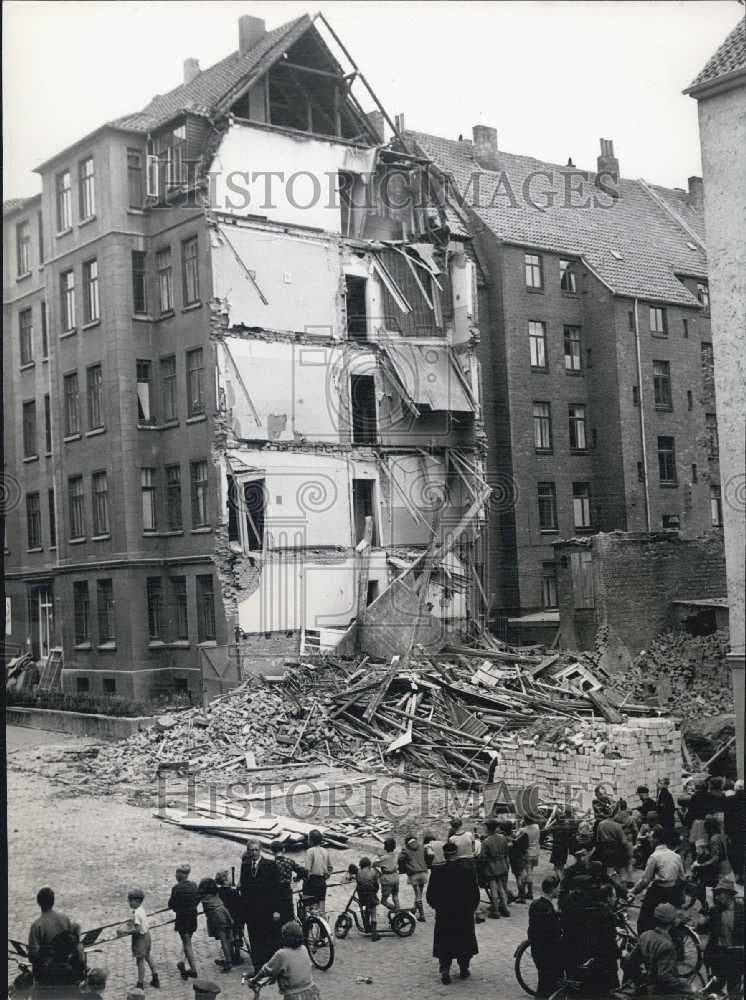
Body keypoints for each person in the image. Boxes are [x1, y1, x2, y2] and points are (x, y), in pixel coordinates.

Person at [426, 840, 480, 984]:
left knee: (445, 942)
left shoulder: (437, 872)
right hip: (464, 914)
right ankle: (464, 968)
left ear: (444, 855)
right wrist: (471, 908)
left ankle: (445, 969)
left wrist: (438, 907)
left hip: (445, 915)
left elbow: (430, 896)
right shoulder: (468, 871)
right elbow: (475, 894)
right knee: (464, 941)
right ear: (457, 854)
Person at [622, 902, 689, 995]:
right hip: (661, 992)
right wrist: (685, 986)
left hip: (648, 987)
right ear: (672, 922)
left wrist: (639, 981)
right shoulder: (667, 945)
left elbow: (629, 962)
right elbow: (665, 977)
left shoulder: (646, 935)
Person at [248, 920, 321, 1000]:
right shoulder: (304, 949)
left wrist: (254, 980)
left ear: (284, 937)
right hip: (311, 992)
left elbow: (265, 970)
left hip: (295, 996)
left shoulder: (282, 954)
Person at [631, 826, 684, 934]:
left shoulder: (655, 856)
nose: (649, 839)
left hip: (658, 891)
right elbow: (682, 877)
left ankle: (645, 942)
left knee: (644, 921)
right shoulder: (676, 856)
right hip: (673, 891)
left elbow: (645, 880)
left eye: (650, 837)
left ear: (656, 840)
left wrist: (633, 891)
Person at [239, 838, 283, 970]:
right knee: (254, 938)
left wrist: (276, 910)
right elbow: (244, 887)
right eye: (251, 850)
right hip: (251, 910)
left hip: (267, 909)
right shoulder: (245, 865)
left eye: (256, 850)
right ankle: (258, 968)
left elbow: (276, 889)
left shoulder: (270, 865)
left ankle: (272, 968)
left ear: (261, 850)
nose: (254, 853)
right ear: (248, 851)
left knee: (269, 937)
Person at [697, 878, 744, 995]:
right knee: (716, 986)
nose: (716, 897)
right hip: (719, 955)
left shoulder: (742, 911)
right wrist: (701, 922)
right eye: (716, 894)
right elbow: (702, 929)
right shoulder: (714, 911)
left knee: (734, 988)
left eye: (719, 894)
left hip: (736, 955)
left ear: (728, 894)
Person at [27, 886, 81, 986]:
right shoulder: (65, 919)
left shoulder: (37, 925)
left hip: (47, 972)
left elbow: (33, 955)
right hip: (66, 966)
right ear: (53, 901)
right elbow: (72, 943)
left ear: (38, 902)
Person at [116, 888, 159, 991]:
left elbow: (137, 929)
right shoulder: (140, 909)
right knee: (148, 956)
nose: (129, 902)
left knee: (140, 961)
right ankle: (155, 977)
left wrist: (125, 932)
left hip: (140, 939)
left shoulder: (136, 913)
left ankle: (140, 983)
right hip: (147, 936)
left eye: (130, 900)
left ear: (137, 901)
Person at [527, 877, 563, 997]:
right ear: (552, 889)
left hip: (537, 950)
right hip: (547, 953)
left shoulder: (536, 904)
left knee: (543, 980)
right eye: (558, 888)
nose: (559, 890)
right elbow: (553, 935)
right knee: (548, 983)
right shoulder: (548, 910)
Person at [168, 863, 199, 980]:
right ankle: (181, 961)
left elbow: (171, 904)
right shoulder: (194, 885)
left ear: (180, 875)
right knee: (187, 941)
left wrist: (178, 909)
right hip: (193, 918)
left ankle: (193, 969)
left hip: (182, 919)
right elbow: (197, 899)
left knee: (187, 944)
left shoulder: (176, 888)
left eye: (177, 873)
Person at [198, 877, 234, 973]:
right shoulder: (216, 892)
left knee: (223, 940)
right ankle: (229, 958)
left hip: (217, 916)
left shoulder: (203, 897)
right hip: (224, 911)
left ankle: (228, 962)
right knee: (227, 938)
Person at [215, 870, 247, 967]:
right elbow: (240, 905)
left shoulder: (219, 892)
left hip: (224, 919)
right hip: (235, 918)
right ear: (225, 880)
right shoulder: (233, 892)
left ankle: (230, 956)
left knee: (228, 938)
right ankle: (237, 956)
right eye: (228, 877)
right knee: (237, 936)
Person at [481, 818, 510, 918]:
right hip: (502, 865)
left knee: (493, 888)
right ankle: (505, 908)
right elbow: (506, 851)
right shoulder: (502, 837)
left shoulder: (486, 841)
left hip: (491, 867)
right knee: (501, 888)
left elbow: (482, 857)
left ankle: (496, 911)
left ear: (488, 828)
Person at [398, 835, 429, 922]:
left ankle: (422, 915)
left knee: (417, 894)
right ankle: (414, 909)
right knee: (419, 894)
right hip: (424, 873)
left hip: (414, 874)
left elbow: (399, 859)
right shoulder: (422, 847)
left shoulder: (406, 850)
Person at [593, 814, 632, 880]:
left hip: (605, 852)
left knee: (609, 871)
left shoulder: (601, 824)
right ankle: (623, 883)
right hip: (617, 852)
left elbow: (598, 840)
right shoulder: (617, 826)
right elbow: (624, 842)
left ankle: (610, 882)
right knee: (622, 869)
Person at [269, 843, 299, 926]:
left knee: (277, 919)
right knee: (289, 916)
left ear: (272, 852)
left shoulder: (271, 864)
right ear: (283, 850)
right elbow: (303, 871)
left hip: (276, 893)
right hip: (287, 891)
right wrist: (297, 878)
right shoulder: (289, 861)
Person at [304, 829, 332, 917]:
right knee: (321, 907)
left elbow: (307, 870)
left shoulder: (310, 851)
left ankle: (308, 924)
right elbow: (330, 868)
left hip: (312, 881)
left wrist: (305, 878)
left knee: (308, 906)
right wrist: (325, 876)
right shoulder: (325, 851)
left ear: (311, 841)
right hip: (322, 882)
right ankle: (323, 924)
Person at [353, 857, 380, 941]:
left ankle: (366, 926)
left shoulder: (358, 872)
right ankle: (374, 934)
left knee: (366, 908)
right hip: (371, 895)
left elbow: (357, 883)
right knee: (373, 912)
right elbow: (376, 885)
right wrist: (375, 891)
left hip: (362, 896)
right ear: (369, 865)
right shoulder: (373, 872)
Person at [724, 778, 745, 884]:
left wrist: (727, 832)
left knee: (735, 853)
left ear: (735, 789)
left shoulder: (729, 800)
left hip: (734, 832)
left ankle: (739, 874)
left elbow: (727, 818)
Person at [549, 807, 578, 879]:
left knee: (556, 865)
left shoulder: (557, 827)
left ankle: (559, 879)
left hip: (557, 846)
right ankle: (559, 875)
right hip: (565, 847)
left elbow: (549, 828)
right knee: (561, 864)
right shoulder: (572, 826)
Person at [374, 836, 401, 913]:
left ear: (385, 847)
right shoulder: (396, 855)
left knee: (383, 901)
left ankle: (396, 911)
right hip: (395, 877)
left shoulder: (383, 858)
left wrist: (379, 873)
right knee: (395, 896)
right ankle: (398, 912)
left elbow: (373, 864)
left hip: (387, 879)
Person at [520, 814, 542, 901]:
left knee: (526, 874)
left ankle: (528, 893)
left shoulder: (523, 830)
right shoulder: (537, 827)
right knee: (530, 872)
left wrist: (521, 825)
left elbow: (517, 838)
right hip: (536, 852)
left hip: (527, 853)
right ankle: (529, 892)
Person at [508, 819, 530, 904]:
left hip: (517, 859)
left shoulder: (515, 838)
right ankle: (522, 895)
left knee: (519, 878)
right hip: (524, 857)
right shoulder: (524, 835)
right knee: (523, 876)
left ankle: (522, 896)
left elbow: (513, 844)